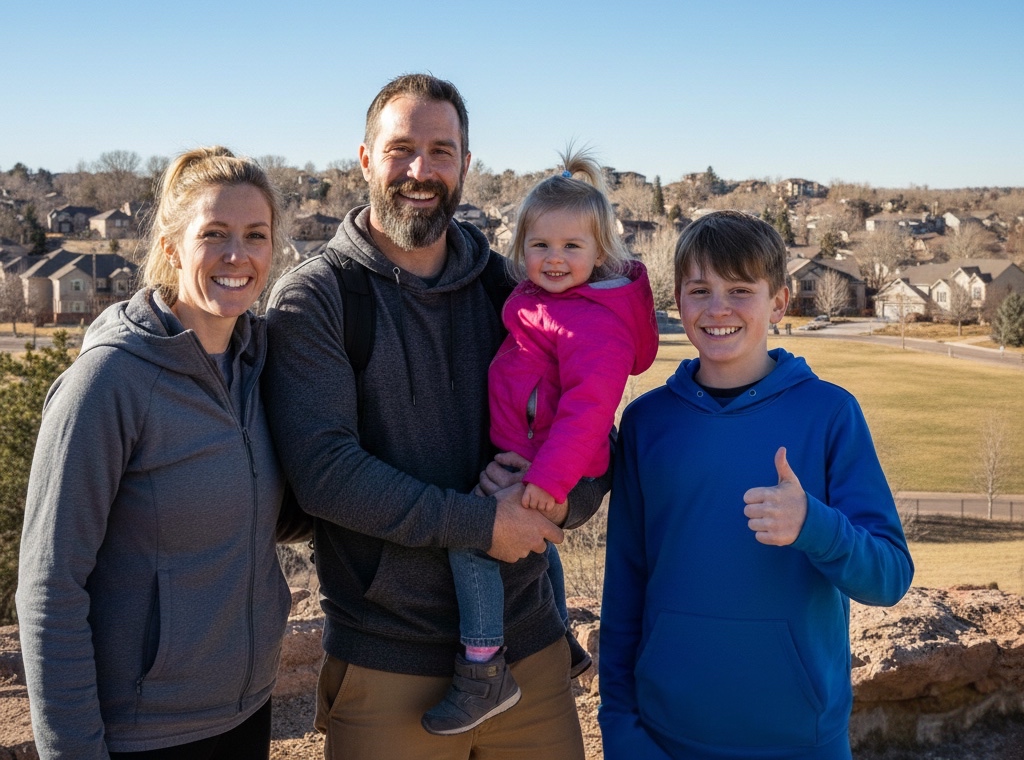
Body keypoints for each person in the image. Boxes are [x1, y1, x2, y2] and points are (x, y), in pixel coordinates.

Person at [262, 74, 605, 760]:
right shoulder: (318, 299)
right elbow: (324, 472)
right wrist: (483, 524)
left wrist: (556, 500)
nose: (421, 171)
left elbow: (594, 421)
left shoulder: (512, 289)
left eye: (441, 152)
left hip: (530, 655)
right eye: (401, 150)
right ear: (366, 159)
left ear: (465, 165)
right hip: (388, 662)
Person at [599, 210, 913, 760]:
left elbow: (889, 578)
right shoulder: (647, 422)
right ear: (678, 300)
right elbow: (624, 586)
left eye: (740, 290)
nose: (718, 308)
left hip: (801, 740)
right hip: (664, 735)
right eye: (700, 290)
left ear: (780, 302)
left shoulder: (830, 414)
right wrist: (620, 729)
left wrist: (815, 526)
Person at [17, 148, 294, 760]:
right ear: (171, 246)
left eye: (255, 235)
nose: (237, 255)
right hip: (143, 732)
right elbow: (49, 587)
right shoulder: (109, 382)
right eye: (213, 234)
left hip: (247, 708)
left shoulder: (261, 366)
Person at [423, 149, 658, 734]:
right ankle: (561, 637)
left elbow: (587, 412)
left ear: (600, 253)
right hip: (533, 455)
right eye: (540, 245)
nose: (554, 258)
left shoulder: (593, 322)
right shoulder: (543, 300)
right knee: (541, 549)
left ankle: (483, 668)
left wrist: (546, 482)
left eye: (572, 247)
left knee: (473, 540)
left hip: (557, 465)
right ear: (520, 248)